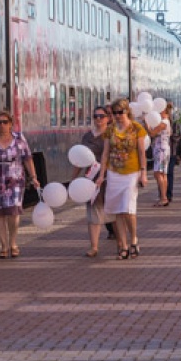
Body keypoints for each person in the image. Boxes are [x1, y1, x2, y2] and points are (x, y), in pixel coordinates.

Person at [0, 111, 41, 259]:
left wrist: (34, 177)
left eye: (5, 122)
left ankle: (13, 243)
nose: (2, 125)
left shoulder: (19, 139)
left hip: (15, 180)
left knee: (13, 213)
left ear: (11, 123)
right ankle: (4, 246)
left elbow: (28, 159)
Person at [95, 99, 148, 260]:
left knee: (128, 208)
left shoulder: (137, 128)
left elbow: (141, 152)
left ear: (127, 112)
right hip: (114, 173)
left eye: (120, 112)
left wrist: (143, 173)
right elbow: (105, 153)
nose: (117, 116)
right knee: (118, 210)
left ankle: (133, 239)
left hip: (131, 172)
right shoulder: (109, 131)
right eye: (114, 113)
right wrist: (102, 174)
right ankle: (123, 246)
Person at [75, 106, 114, 257]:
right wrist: (74, 178)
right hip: (91, 179)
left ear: (108, 118)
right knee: (93, 213)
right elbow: (79, 158)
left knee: (114, 214)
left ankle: (122, 243)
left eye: (102, 116)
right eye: (95, 116)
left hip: (108, 178)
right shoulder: (87, 137)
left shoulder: (111, 135)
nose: (98, 119)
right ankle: (94, 247)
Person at [150, 102, 174, 206]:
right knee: (163, 174)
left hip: (161, 150)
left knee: (158, 173)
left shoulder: (164, 122)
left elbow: (152, 133)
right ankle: (163, 197)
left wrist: (146, 123)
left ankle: (163, 197)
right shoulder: (167, 121)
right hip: (163, 149)